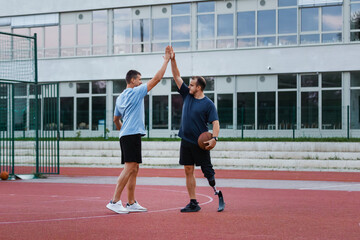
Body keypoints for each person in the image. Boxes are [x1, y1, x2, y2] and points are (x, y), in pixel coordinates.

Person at [106, 46, 172, 214]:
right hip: (131, 135)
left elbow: (115, 119)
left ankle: (131, 202)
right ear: (133, 81)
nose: (142, 82)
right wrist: (166, 60)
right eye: (140, 79)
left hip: (127, 134)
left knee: (134, 168)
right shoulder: (135, 93)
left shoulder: (120, 97)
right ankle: (114, 201)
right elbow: (157, 79)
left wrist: (121, 130)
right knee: (129, 168)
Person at [169, 47, 223, 212]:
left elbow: (215, 123)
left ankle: (216, 190)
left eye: (192, 84)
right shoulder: (187, 95)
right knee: (188, 170)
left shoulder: (208, 104)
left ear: (199, 87)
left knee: (208, 172)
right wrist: (173, 59)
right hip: (186, 140)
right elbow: (176, 76)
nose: (189, 86)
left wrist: (214, 138)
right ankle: (193, 202)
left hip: (201, 143)